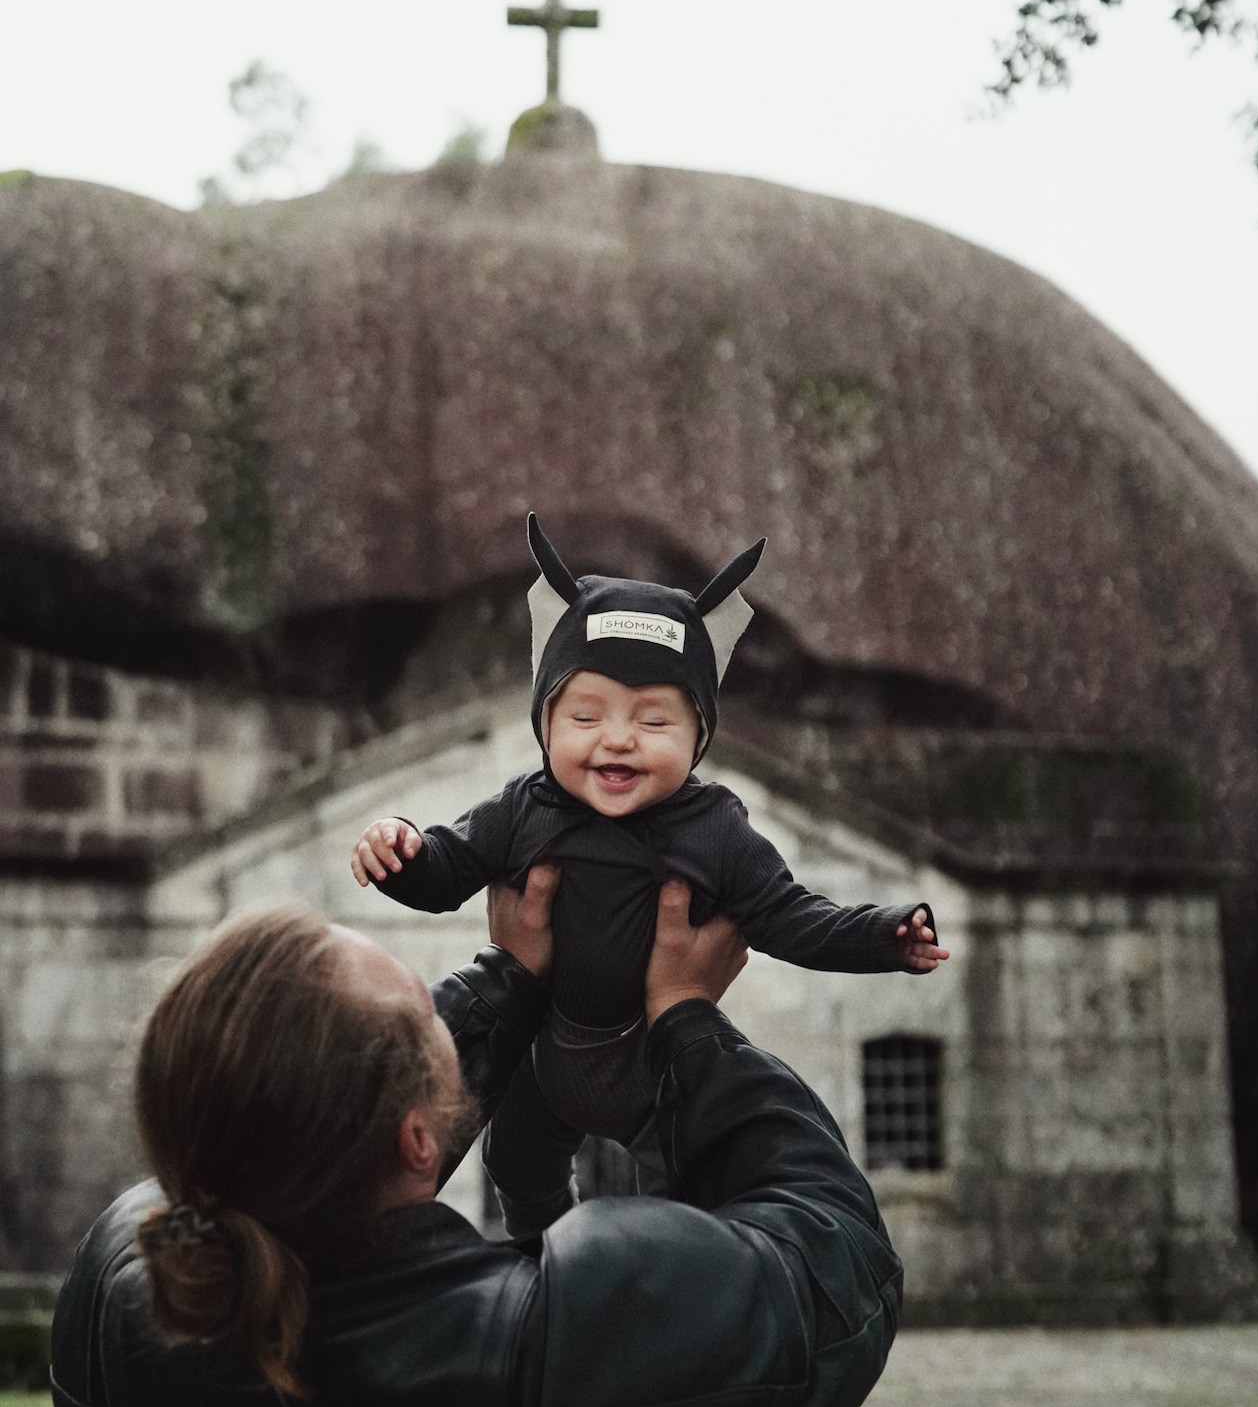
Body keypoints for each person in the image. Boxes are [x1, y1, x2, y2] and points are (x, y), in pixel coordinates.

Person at [52, 870, 904, 1407]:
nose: (440, 1019)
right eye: (428, 1019)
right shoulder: (568, 1343)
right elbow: (835, 1246)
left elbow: (292, 1127)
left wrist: (512, 978)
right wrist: (685, 1016)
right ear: (419, 1138)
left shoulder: (116, 1289)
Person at [353, 513, 948, 1233]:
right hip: (549, 1052)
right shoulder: (522, 808)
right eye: (586, 716)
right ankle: (543, 1252)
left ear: (700, 738)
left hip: (652, 1060)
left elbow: (788, 916)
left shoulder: (716, 828)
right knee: (514, 1163)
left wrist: (885, 936)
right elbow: (449, 869)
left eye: (654, 722)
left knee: (680, 1188)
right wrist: (402, 853)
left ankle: (660, 1271)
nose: (618, 739)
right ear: (544, 724)